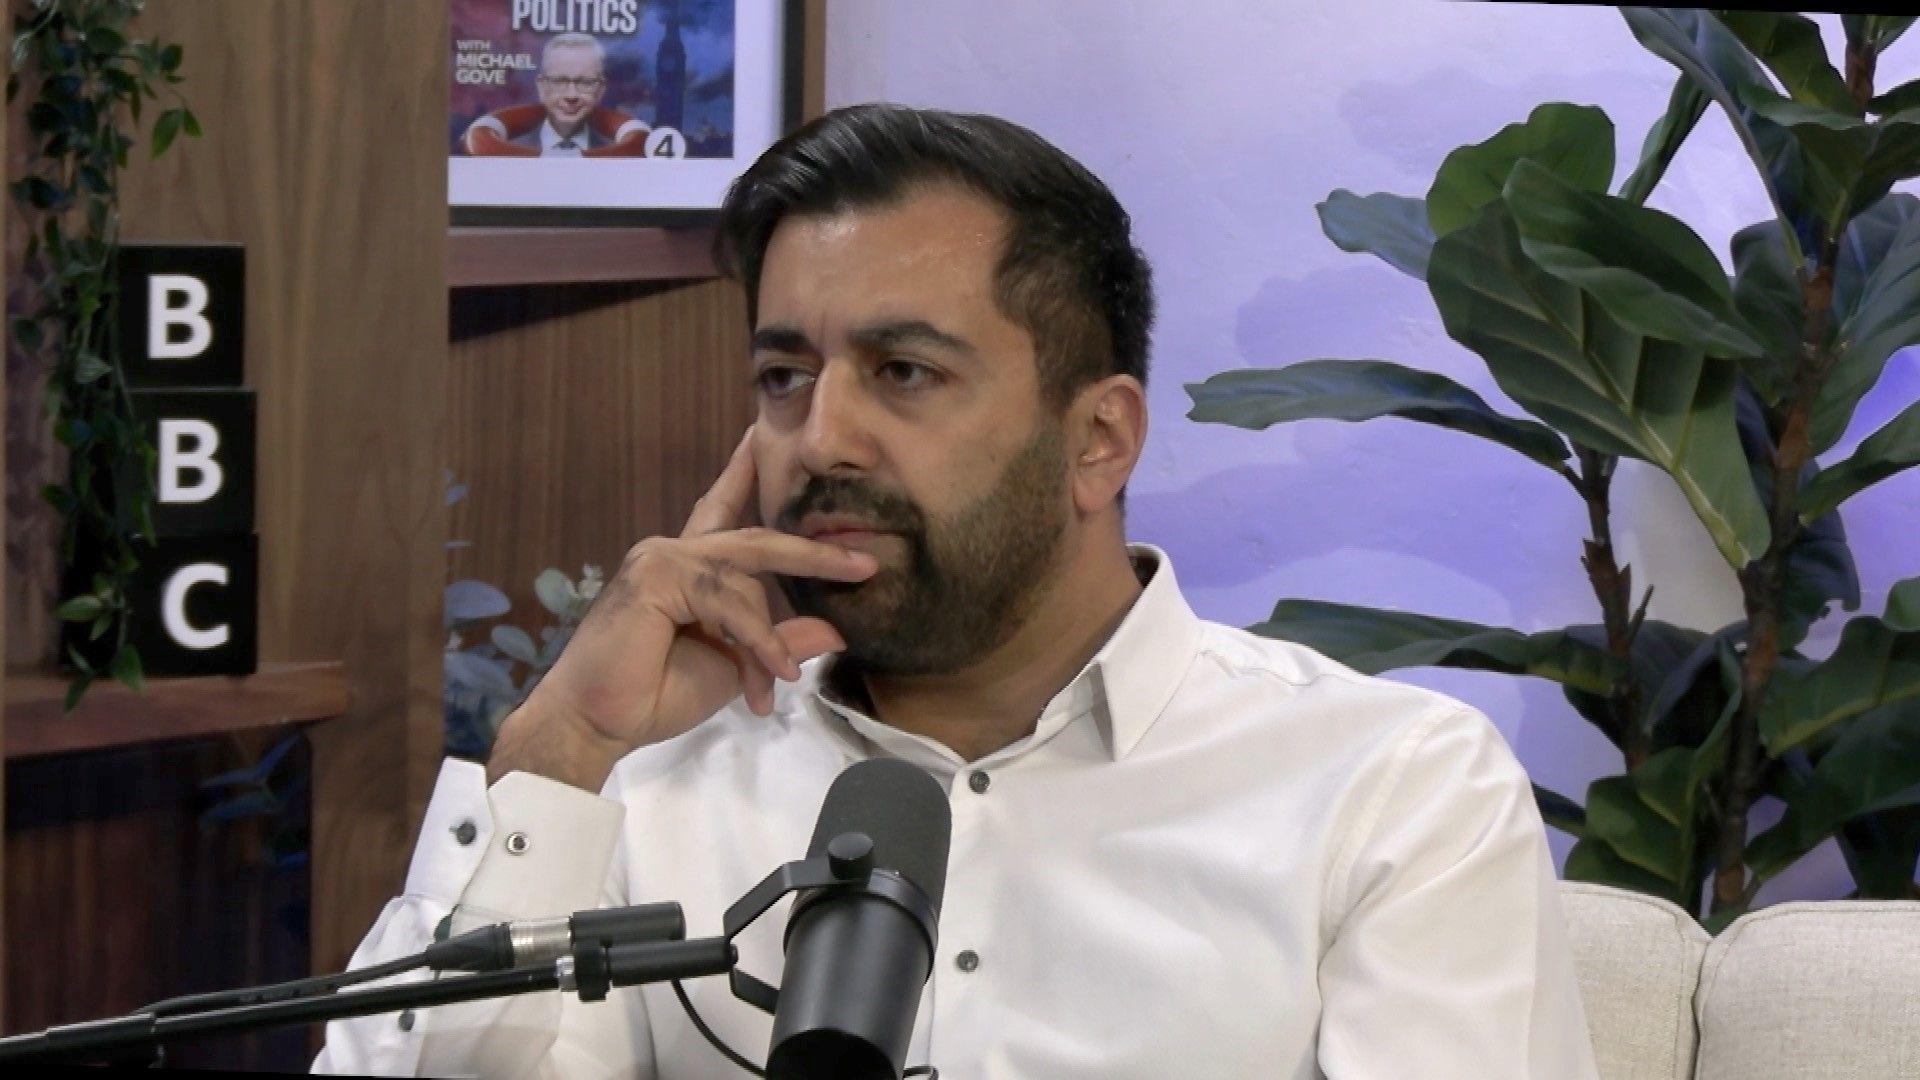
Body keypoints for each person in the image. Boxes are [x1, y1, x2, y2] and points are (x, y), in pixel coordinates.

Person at [315, 104, 1601, 1078]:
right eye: (784, 375)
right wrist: (562, 750)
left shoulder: (1387, 794)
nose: (820, 440)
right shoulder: (647, 787)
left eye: (905, 372)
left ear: (1098, 439)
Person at [462, 33, 646, 157]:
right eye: (559, 81)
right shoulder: (506, 147)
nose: (571, 95)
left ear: (601, 89)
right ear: (541, 87)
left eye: (585, 83)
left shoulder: (617, 152)